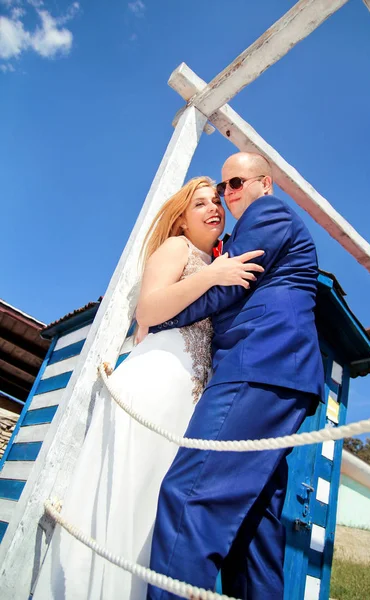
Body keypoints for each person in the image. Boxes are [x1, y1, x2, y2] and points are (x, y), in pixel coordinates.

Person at [32, 176, 263, 600]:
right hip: (155, 381)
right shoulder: (178, 249)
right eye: (201, 204)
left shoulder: (219, 260)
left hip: (188, 400)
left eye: (218, 201)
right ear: (180, 220)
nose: (215, 208)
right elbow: (149, 308)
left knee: (151, 513)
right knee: (126, 499)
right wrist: (212, 275)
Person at [147, 153, 325, 600]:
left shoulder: (270, 211)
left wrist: (162, 317)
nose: (229, 194)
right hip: (280, 373)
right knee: (255, 522)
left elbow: (229, 286)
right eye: (225, 187)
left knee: (189, 494)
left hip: (259, 363)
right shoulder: (231, 236)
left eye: (237, 182)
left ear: (266, 183)